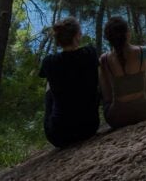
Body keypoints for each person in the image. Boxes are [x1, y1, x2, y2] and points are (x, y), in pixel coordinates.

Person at [38, 16, 100, 148]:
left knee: (50, 86)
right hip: (89, 127)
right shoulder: (90, 53)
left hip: (58, 135)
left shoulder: (49, 62)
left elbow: (49, 90)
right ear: (77, 36)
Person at [99, 16, 146, 129]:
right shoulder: (142, 51)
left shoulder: (105, 58)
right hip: (144, 112)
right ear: (127, 34)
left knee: (102, 67)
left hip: (117, 118)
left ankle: (112, 102)